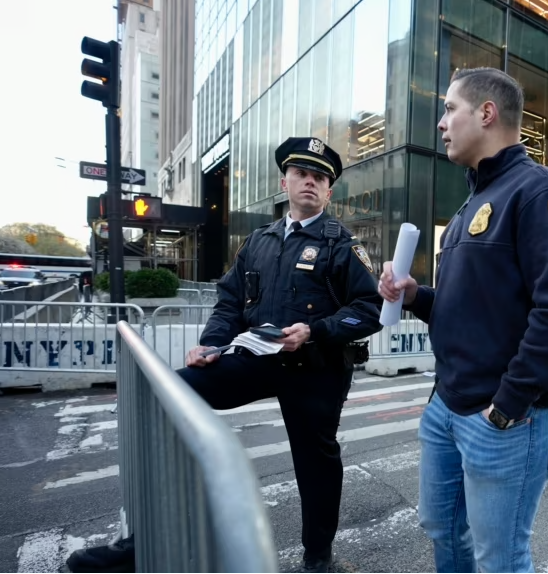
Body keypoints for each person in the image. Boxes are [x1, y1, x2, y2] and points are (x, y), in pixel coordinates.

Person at [67, 137, 384, 574]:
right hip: (256, 359)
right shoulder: (260, 241)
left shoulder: (342, 244)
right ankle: (149, 538)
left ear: (329, 192)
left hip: (316, 368)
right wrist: (212, 344)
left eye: (320, 178)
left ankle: (317, 559)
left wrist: (314, 331)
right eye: (301, 174)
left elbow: (369, 311)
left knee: (317, 464)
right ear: (284, 182)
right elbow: (230, 301)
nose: (310, 182)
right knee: (170, 395)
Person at [377, 67, 548, 573]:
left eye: (449, 108)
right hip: (448, 406)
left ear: (487, 113)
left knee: (500, 557)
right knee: (443, 531)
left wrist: (507, 405)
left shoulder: (540, 193)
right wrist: (415, 296)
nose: (441, 123)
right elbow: (471, 307)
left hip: (506, 419)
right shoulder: (470, 205)